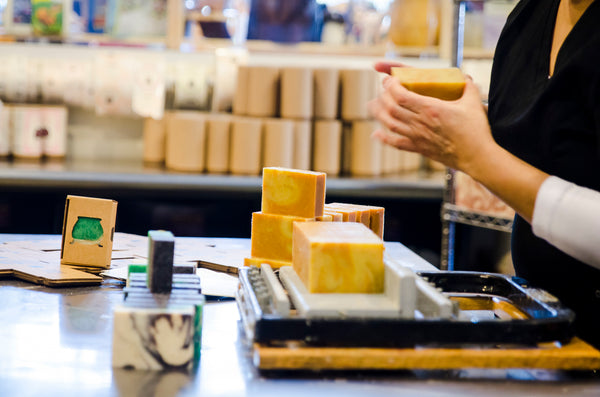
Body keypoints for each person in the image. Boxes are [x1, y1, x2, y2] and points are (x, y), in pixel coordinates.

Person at [368, 0, 600, 348]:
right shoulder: (531, 16)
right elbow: (557, 138)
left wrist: (478, 155)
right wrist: (450, 117)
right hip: (544, 329)